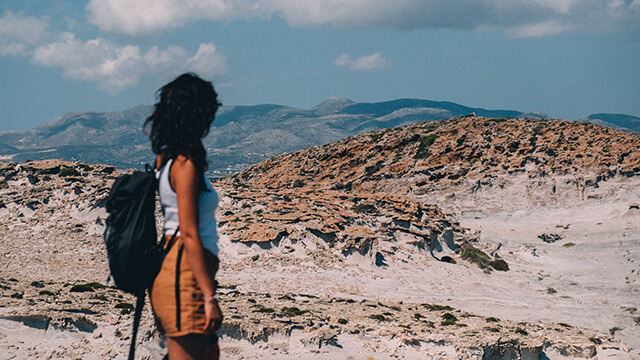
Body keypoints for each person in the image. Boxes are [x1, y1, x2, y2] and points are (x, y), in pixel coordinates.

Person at [144, 73, 223, 360]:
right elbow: (188, 232)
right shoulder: (184, 163)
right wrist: (209, 296)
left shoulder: (167, 159)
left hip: (182, 273)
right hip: (183, 277)